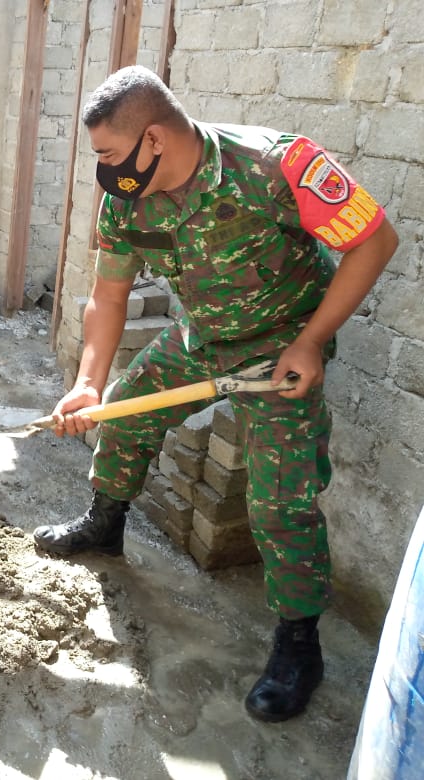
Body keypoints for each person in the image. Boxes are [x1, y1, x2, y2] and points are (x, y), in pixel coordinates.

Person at [33, 66, 398, 722]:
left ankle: (298, 641)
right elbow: (109, 295)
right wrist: (87, 383)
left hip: (282, 347)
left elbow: (374, 241)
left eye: (109, 154)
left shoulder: (273, 166)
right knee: (123, 408)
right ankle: (106, 521)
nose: (104, 170)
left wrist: (311, 341)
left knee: (278, 500)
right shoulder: (126, 199)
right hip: (204, 335)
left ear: (154, 139)